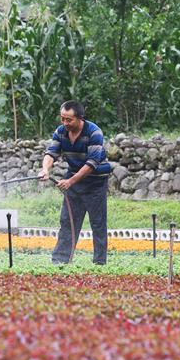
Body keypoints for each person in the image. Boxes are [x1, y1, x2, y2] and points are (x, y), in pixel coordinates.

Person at [38, 100, 112, 265]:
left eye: (69, 120)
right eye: (62, 119)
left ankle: (99, 263)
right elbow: (51, 153)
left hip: (95, 183)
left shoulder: (94, 133)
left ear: (80, 118)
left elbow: (91, 164)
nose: (65, 123)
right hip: (74, 182)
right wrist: (45, 170)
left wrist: (70, 181)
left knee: (98, 223)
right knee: (68, 221)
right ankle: (60, 261)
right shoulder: (61, 131)